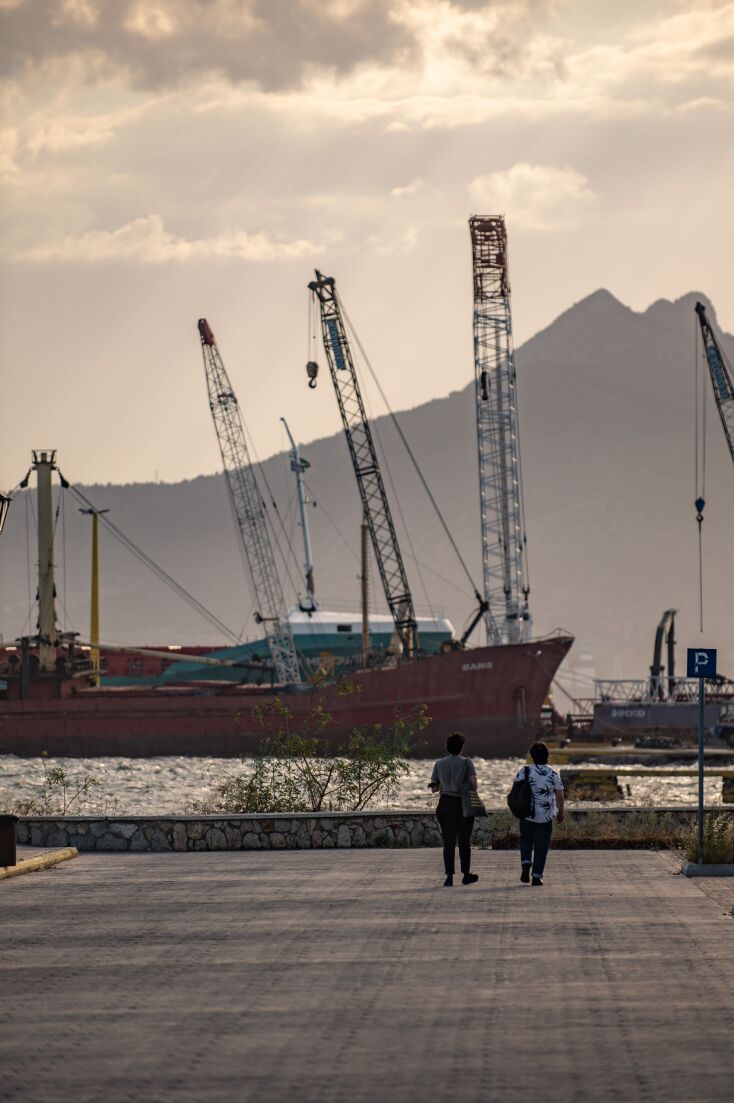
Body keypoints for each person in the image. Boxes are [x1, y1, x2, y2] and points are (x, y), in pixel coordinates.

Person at [429, 732, 480, 887]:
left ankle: (449, 877)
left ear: (447, 747)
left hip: (444, 804)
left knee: (449, 842)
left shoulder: (439, 763)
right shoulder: (467, 763)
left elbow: (434, 788)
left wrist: (443, 784)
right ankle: (466, 875)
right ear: (462, 747)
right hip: (462, 804)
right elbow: (474, 785)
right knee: (464, 841)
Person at [515, 740, 564, 886]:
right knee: (541, 846)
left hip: (526, 814)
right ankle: (536, 876)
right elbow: (560, 796)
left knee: (525, 841)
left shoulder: (524, 771)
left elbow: (516, 790)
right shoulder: (552, 773)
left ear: (532, 756)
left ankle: (525, 865)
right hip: (545, 816)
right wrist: (561, 812)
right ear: (547, 756)